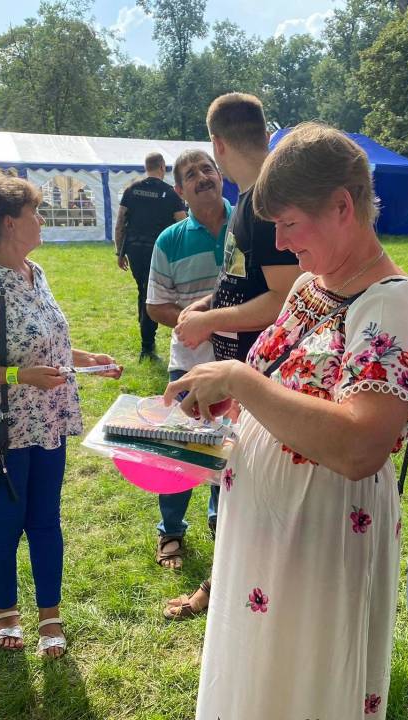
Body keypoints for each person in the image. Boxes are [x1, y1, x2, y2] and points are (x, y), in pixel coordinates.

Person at [166, 122, 408, 719]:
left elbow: (360, 445)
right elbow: (280, 387)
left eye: (289, 223)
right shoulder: (311, 287)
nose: (281, 242)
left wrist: (240, 380)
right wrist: (221, 403)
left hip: (322, 535)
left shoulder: (394, 305)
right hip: (264, 527)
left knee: (302, 685)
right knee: (258, 681)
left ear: (342, 206)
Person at [0, 172, 122, 658]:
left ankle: (50, 616)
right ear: (9, 223)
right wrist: (20, 377)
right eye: (33, 212)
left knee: (45, 521)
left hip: (48, 422)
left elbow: (45, 343)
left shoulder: (35, 273)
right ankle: (6, 615)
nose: (41, 219)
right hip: (3, 431)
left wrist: (88, 359)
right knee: (3, 526)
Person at [166, 92, 300, 620]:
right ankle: (224, 585)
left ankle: (230, 592)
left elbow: (285, 299)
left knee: (250, 494)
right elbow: (247, 279)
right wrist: (209, 302)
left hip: (264, 378)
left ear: (217, 144)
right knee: (236, 487)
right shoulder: (249, 198)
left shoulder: (264, 204)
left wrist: (208, 321)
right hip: (244, 375)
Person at [145, 150, 229, 573]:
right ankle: (171, 529)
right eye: (191, 174)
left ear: (220, 176)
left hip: (243, 361)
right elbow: (155, 304)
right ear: (180, 190)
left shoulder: (248, 225)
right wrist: (192, 321)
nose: (202, 177)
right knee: (183, 450)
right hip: (189, 363)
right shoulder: (170, 240)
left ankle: (222, 519)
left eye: (207, 169)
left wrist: (217, 320)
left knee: (230, 446)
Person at [116, 153, 187, 361]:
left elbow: (120, 222)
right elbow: (183, 223)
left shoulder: (131, 190)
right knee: (154, 295)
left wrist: (119, 251)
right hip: (160, 251)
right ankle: (147, 344)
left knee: (144, 291)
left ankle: (147, 339)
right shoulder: (170, 193)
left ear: (146, 167)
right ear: (162, 167)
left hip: (135, 249)